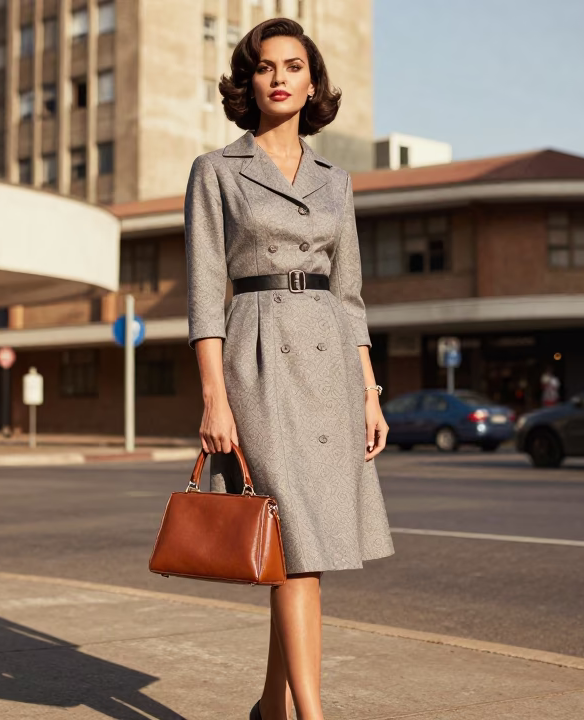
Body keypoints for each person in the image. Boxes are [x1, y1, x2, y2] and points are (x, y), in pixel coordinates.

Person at [184, 18, 394, 720]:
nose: (279, 77)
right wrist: (215, 400)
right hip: (258, 359)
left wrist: (370, 392)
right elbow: (204, 297)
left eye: (294, 65)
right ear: (247, 82)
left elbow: (351, 294)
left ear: (312, 82)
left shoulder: (337, 182)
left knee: (298, 547)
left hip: (331, 365)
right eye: (265, 66)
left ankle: (272, 709)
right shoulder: (216, 171)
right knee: (299, 546)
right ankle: (312, 716)